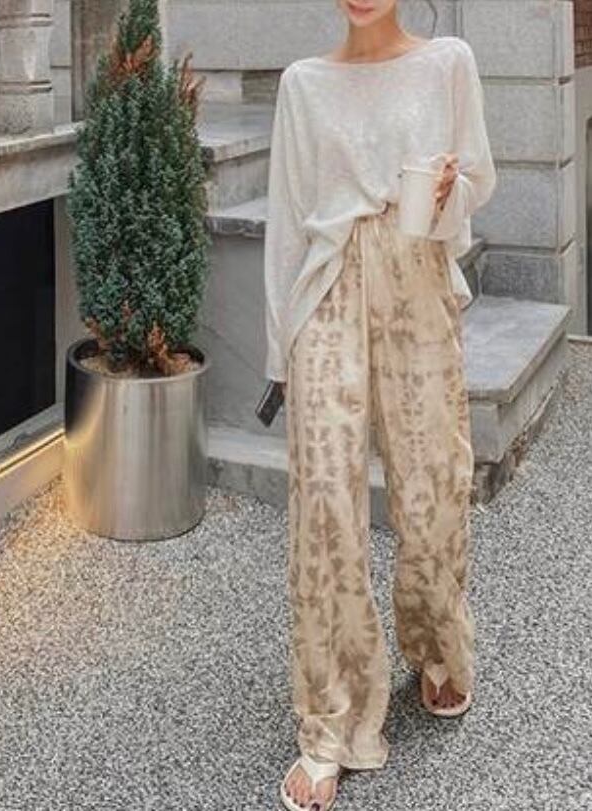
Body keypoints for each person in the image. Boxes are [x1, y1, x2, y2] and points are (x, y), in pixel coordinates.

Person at [262, 2, 498, 810]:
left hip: (416, 277)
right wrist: (280, 352)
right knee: (325, 503)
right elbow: (287, 223)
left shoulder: (447, 63)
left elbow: (477, 179)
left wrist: (448, 191)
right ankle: (330, 720)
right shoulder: (302, 84)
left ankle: (436, 645)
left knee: (431, 488)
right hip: (326, 290)